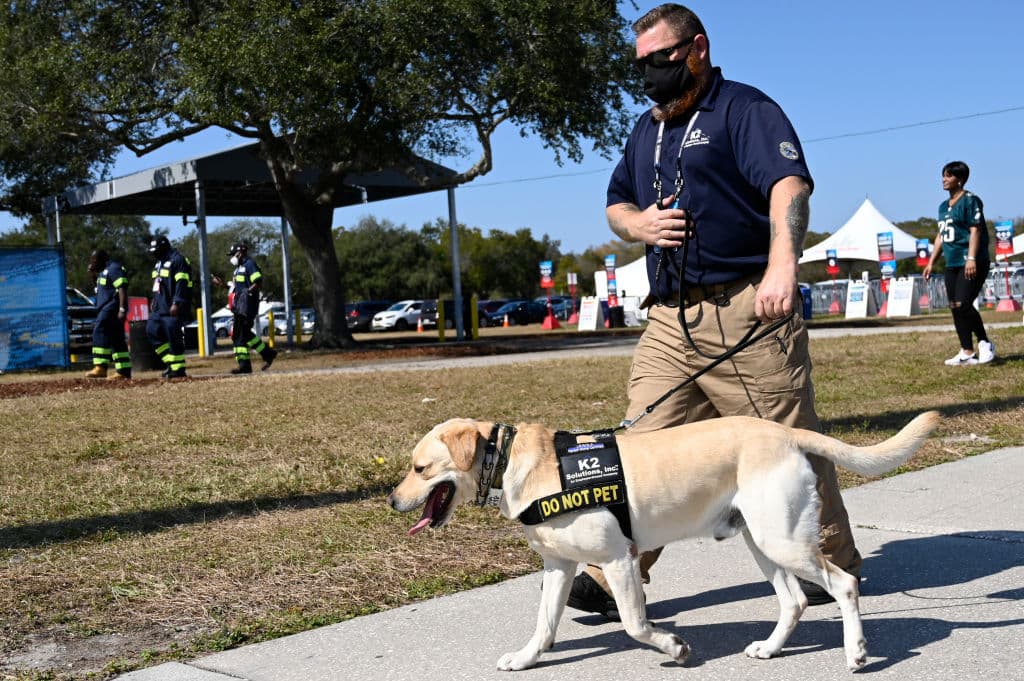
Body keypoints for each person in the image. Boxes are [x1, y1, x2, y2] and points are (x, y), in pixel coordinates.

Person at [567, 3, 861, 619]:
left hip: (746, 314)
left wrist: (784, 265)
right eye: (639, 65)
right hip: (670, 320)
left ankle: (824, 559)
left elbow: (789, 187)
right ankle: (612, 565)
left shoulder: (745, 110)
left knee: (787, 446)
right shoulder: (647, 129)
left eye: (660, 61)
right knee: (642, 447)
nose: (649, 75)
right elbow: (615, 204)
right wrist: (637, 225)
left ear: (696, 48)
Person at [922, 161, 995, 365]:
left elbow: (975, 230)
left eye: (948, 176)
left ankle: (984, 342)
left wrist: (971, 258)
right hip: (951, 263)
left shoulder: (971, 200)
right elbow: (940, 235)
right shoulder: (943, 207)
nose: (944, 179)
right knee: (955, 306)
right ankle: (967, 350)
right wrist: (930, 262)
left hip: (972, 261)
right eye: (943, 175)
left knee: (963, 303)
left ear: (960, 179)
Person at [213, 242, 277, 374]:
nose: (232, 257)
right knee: (244, 334)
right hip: (239, 306)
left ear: (240, 253)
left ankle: (245, 366)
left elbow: (257, 281)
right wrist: (223, 285)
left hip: (247, 306)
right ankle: (268, 353)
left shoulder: (249, 264)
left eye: (233, 254)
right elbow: (235, 288)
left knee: (239, 335)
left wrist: (247, 292)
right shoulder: (238, 269)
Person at [146, 235, 192, 378]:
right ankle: (171, 364)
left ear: (165, 247)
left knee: (174, 338)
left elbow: (182, 284)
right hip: (159, 307)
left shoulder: (178, 260)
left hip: (173, 308)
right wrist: (154, 299)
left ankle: (178, 370)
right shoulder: (159, 263)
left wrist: (176, 303)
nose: (154, 253)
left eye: (156, 250)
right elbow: (157, 283)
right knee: (151, 331)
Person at [84, 249, 131, 380]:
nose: (91, 263)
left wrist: (122, 309)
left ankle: (100, 367)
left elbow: (122, 288)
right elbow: (98, 290)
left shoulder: (114, 268)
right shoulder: (102, 272)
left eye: (94, 260)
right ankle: (123, 371)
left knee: (100, 330)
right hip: (104, 307)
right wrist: (93, 275)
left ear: (103, 259)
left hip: (112, 307)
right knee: (117, 339)